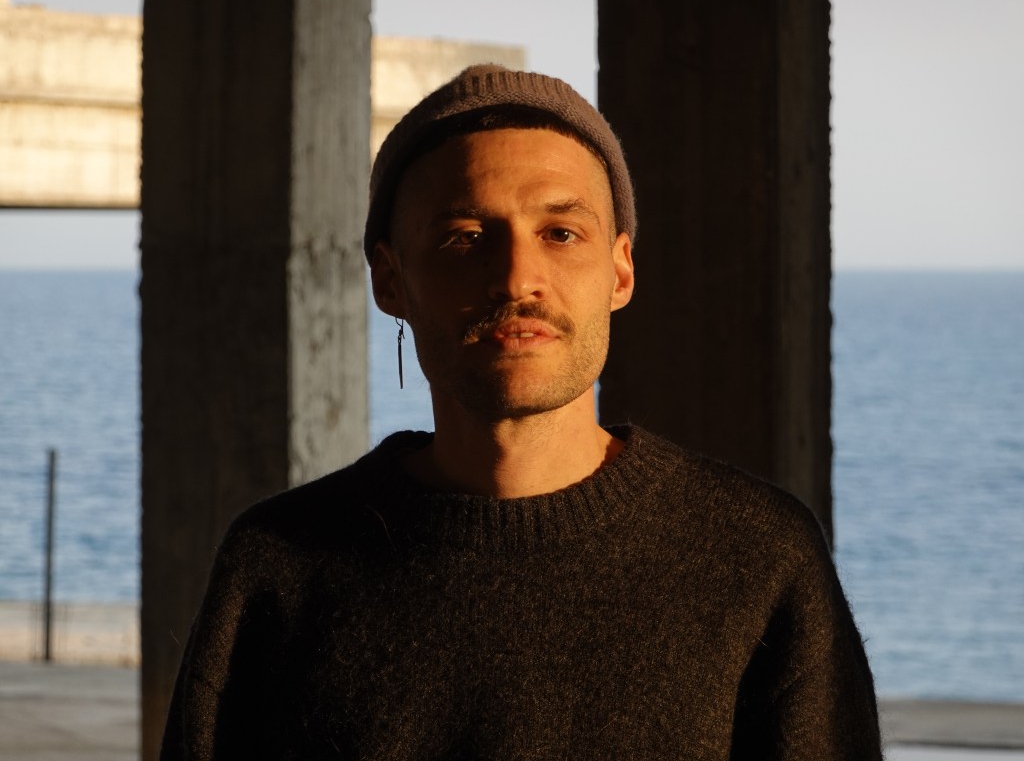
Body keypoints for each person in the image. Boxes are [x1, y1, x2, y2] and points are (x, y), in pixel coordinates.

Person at [161, 64, 882, 760]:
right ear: (390, 280)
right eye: (465, 238)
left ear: (620, 271)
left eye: (560, 233)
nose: (516, 279)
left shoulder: (757, 557)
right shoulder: (279, 563)